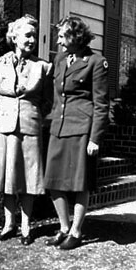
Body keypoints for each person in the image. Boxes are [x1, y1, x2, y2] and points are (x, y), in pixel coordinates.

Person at [0, 14, 53, 245]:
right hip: (4, 127)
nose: (32, 39)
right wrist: (3, 113)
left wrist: (33, 115)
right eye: (28, 35)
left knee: (29, 177)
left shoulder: (42, 67)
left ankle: (25, 225)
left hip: (30, 126)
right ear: (15, 37)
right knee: (7, 177)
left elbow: (48, 101)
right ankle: (8, 224)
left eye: (34, 35)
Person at [44, 16, 109, 250]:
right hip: (58, 128)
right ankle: (63, 227)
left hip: (82, 129)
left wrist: (95, 138)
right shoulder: (60, 59)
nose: (59, 41)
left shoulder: (95, 62)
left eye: (62, 36)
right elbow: (53, 95)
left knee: (80, 183)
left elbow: (101, 104)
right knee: (52, 181)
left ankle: (77, 231)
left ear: (76, 37)